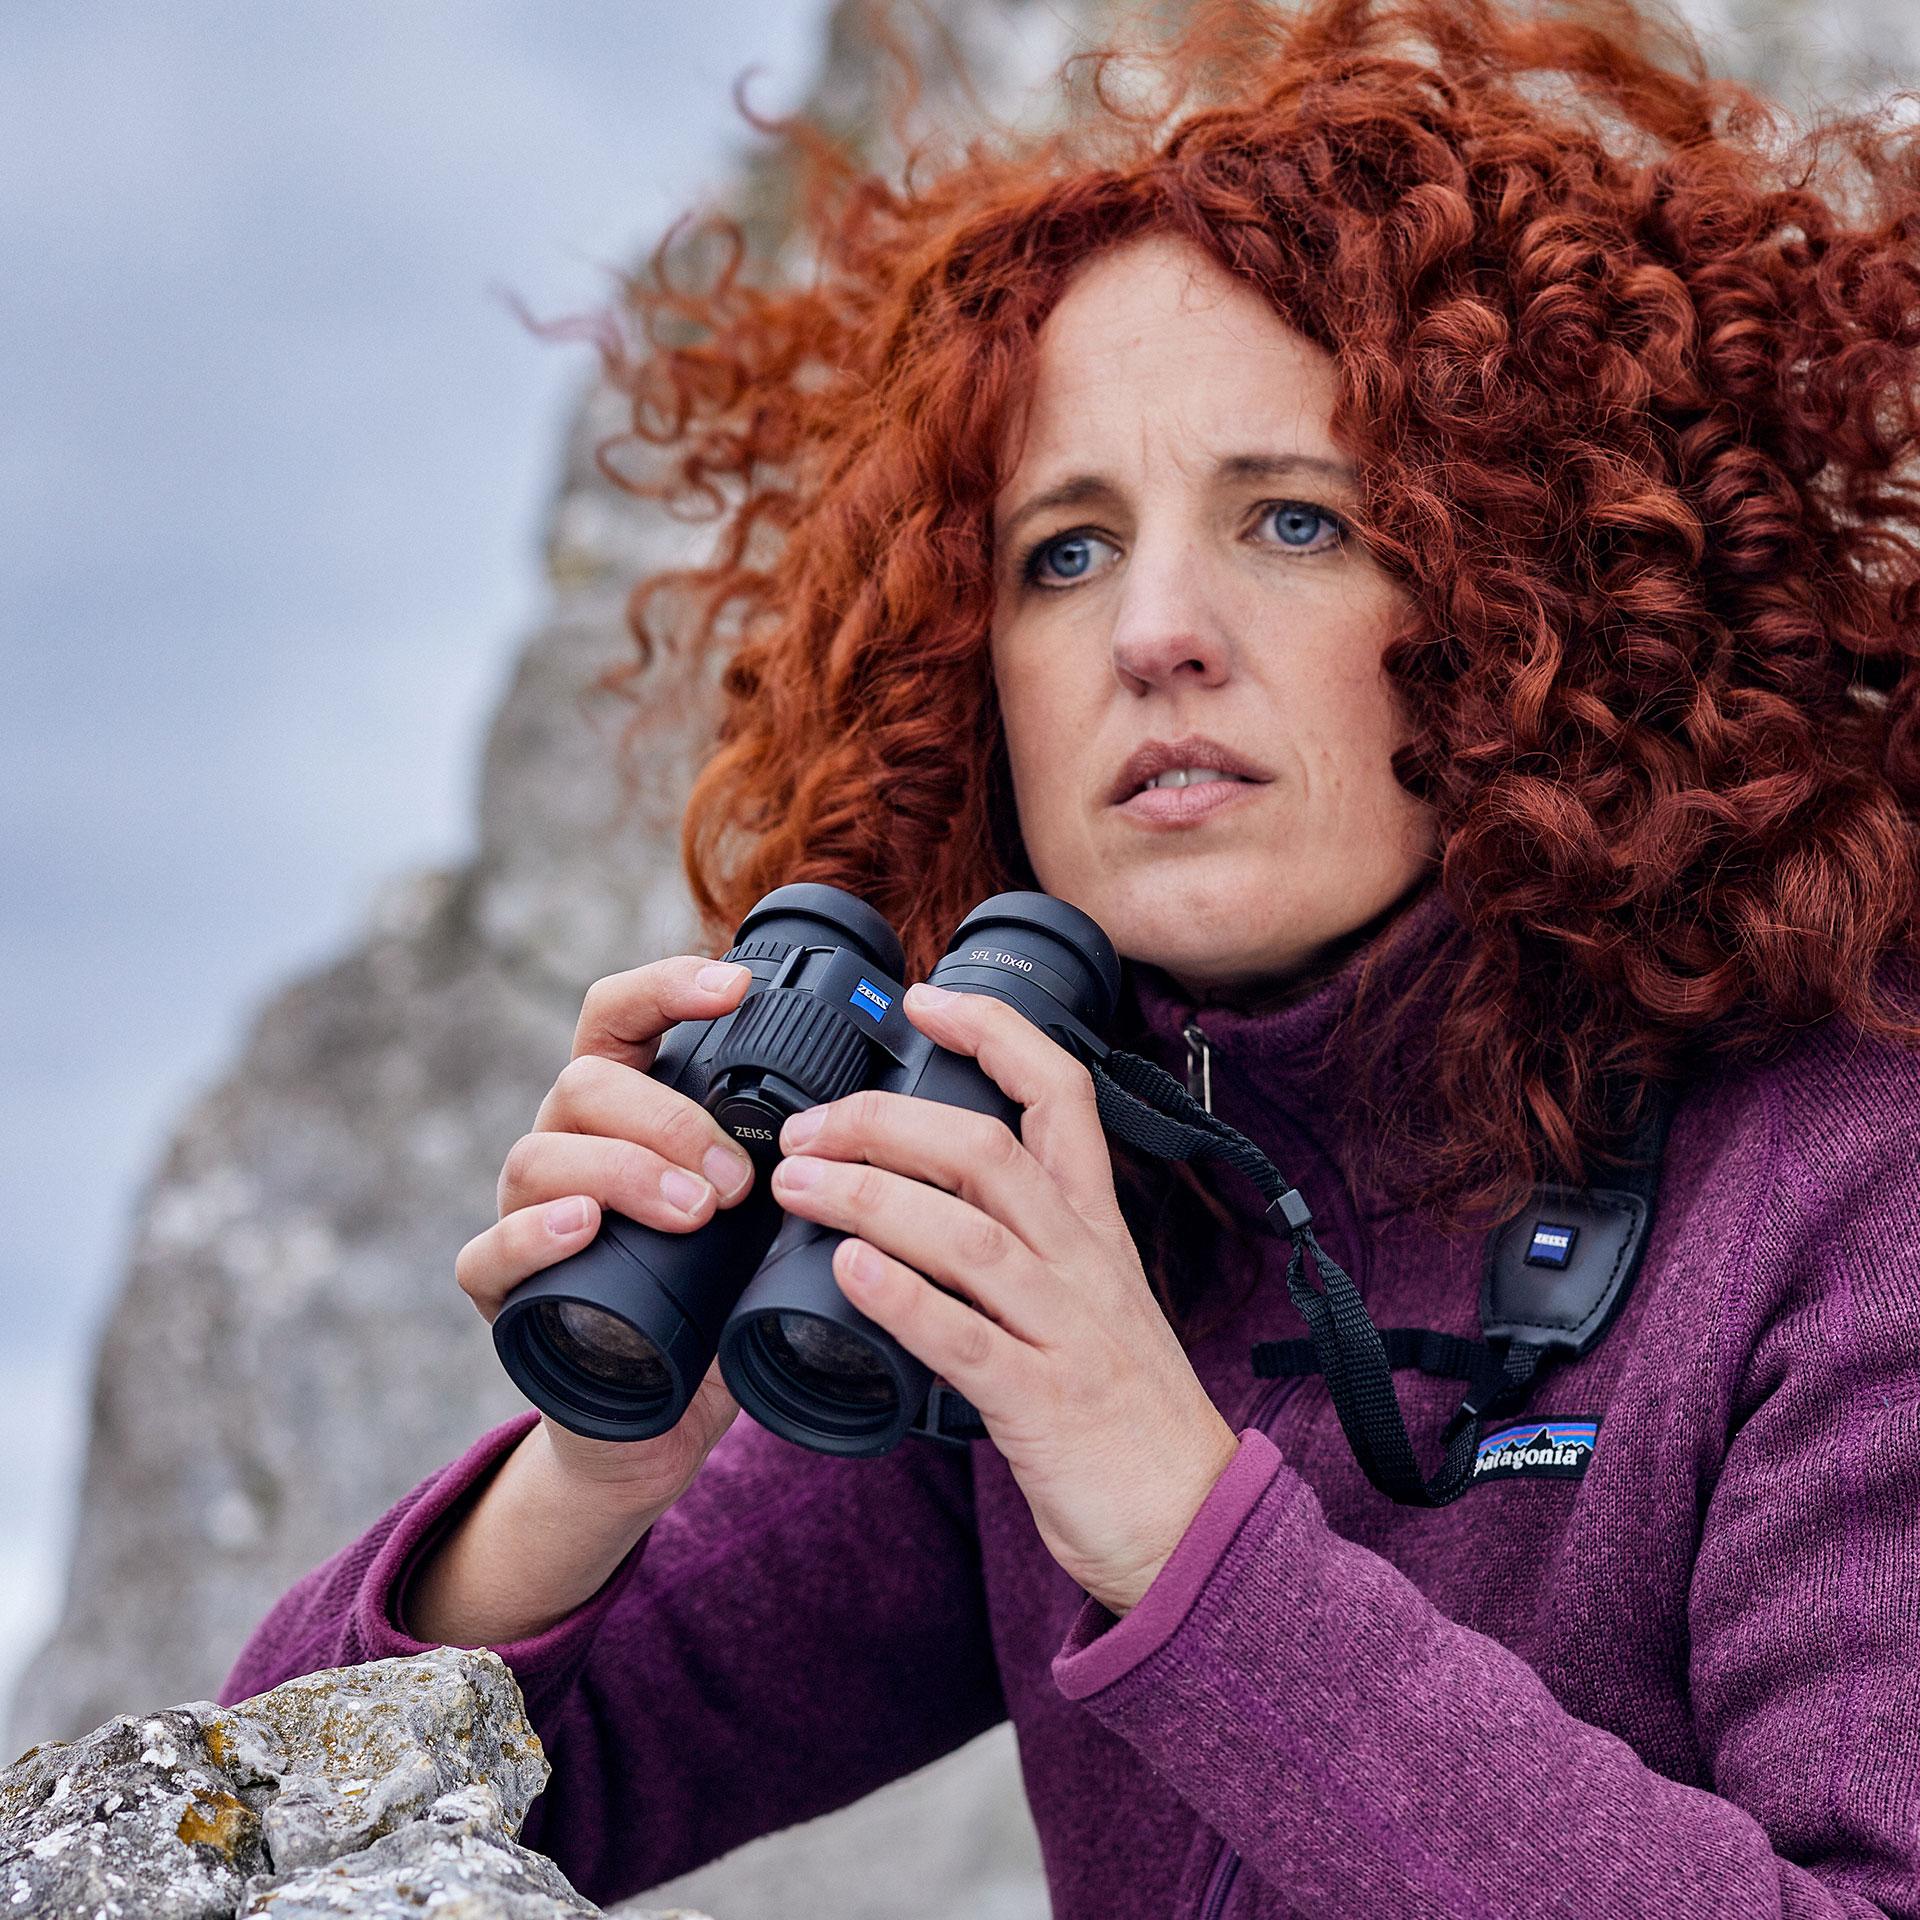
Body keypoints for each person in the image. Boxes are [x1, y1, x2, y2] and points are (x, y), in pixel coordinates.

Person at [223, 0, 1920, 1913]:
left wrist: (1182, 1527)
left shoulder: (1853, 1177)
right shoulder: (1065, 1214)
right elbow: (263, 1830)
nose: (1156, 633)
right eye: (1063, 552)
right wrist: (608, 1446)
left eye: (1295, 519)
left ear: (1536, 594)